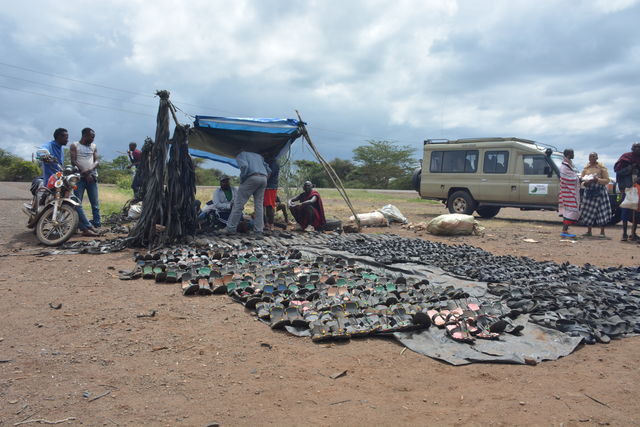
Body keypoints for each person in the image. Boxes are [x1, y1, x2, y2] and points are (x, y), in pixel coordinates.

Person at [224, 151, 270, 234]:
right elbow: (269, 170)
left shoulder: (241, 154)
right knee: (259, 206)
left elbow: (244, 166)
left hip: (252, 177)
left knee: (238, 204)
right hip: (264, 178)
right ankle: (259, 230)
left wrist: (243, 179)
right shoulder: (259, 155)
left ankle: (231, 229)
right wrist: (264, 178)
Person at [70, 128, 101, 236]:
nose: (93, 139)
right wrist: (85, 173)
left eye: (93, 137)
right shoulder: (74, 145)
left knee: (95, 203)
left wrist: (89, 170)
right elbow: (73, 161)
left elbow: (96, 160)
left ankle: (97, 225)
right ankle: (85, 226)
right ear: (84, 135)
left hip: (92, 177)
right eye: (91, 136)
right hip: (79, 178)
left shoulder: (94, 146)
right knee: (77, 203)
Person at [579, 152, 611, 238]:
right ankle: (589, 231)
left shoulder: (602, 168)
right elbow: (581, 181)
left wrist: (597, 180)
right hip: (589, 191)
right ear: (588, 158)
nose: (592, 158)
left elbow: (607, 180)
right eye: (590, 156)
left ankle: (602, 232)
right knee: (588, 211)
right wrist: (586, 183)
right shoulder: (585, 169)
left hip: (600, 192)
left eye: (594, 156)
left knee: (601, 211)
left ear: (597, 157)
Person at [613, 142, 640, 241]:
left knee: (636, 212)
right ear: (632, 148)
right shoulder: (625, 157)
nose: (637, 149)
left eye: (639, 147)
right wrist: (630, 168)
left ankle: (633, 234)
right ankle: (624, 234)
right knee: (625, 210)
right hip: (626, 188)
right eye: (635, 147)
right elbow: (618, 171)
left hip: (637, 188)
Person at [558, 148, 580, 238]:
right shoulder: (564, 167)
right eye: (572, 153)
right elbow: (571, 178)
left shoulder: (568, 165)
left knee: (568, 211)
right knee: (571, 211)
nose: (574, 155)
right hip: (568, 192)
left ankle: (565, 230)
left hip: (568, 191)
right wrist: (580, 179)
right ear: (568, 155)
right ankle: (564, 230)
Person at [263, 155, 280, 231]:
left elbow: (269, 174)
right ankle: (268, 224)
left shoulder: (272, 164)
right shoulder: (274, 163)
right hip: (270, 187)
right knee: (267, 206)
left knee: (269, 206)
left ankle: (270, 224)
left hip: (269, 187)